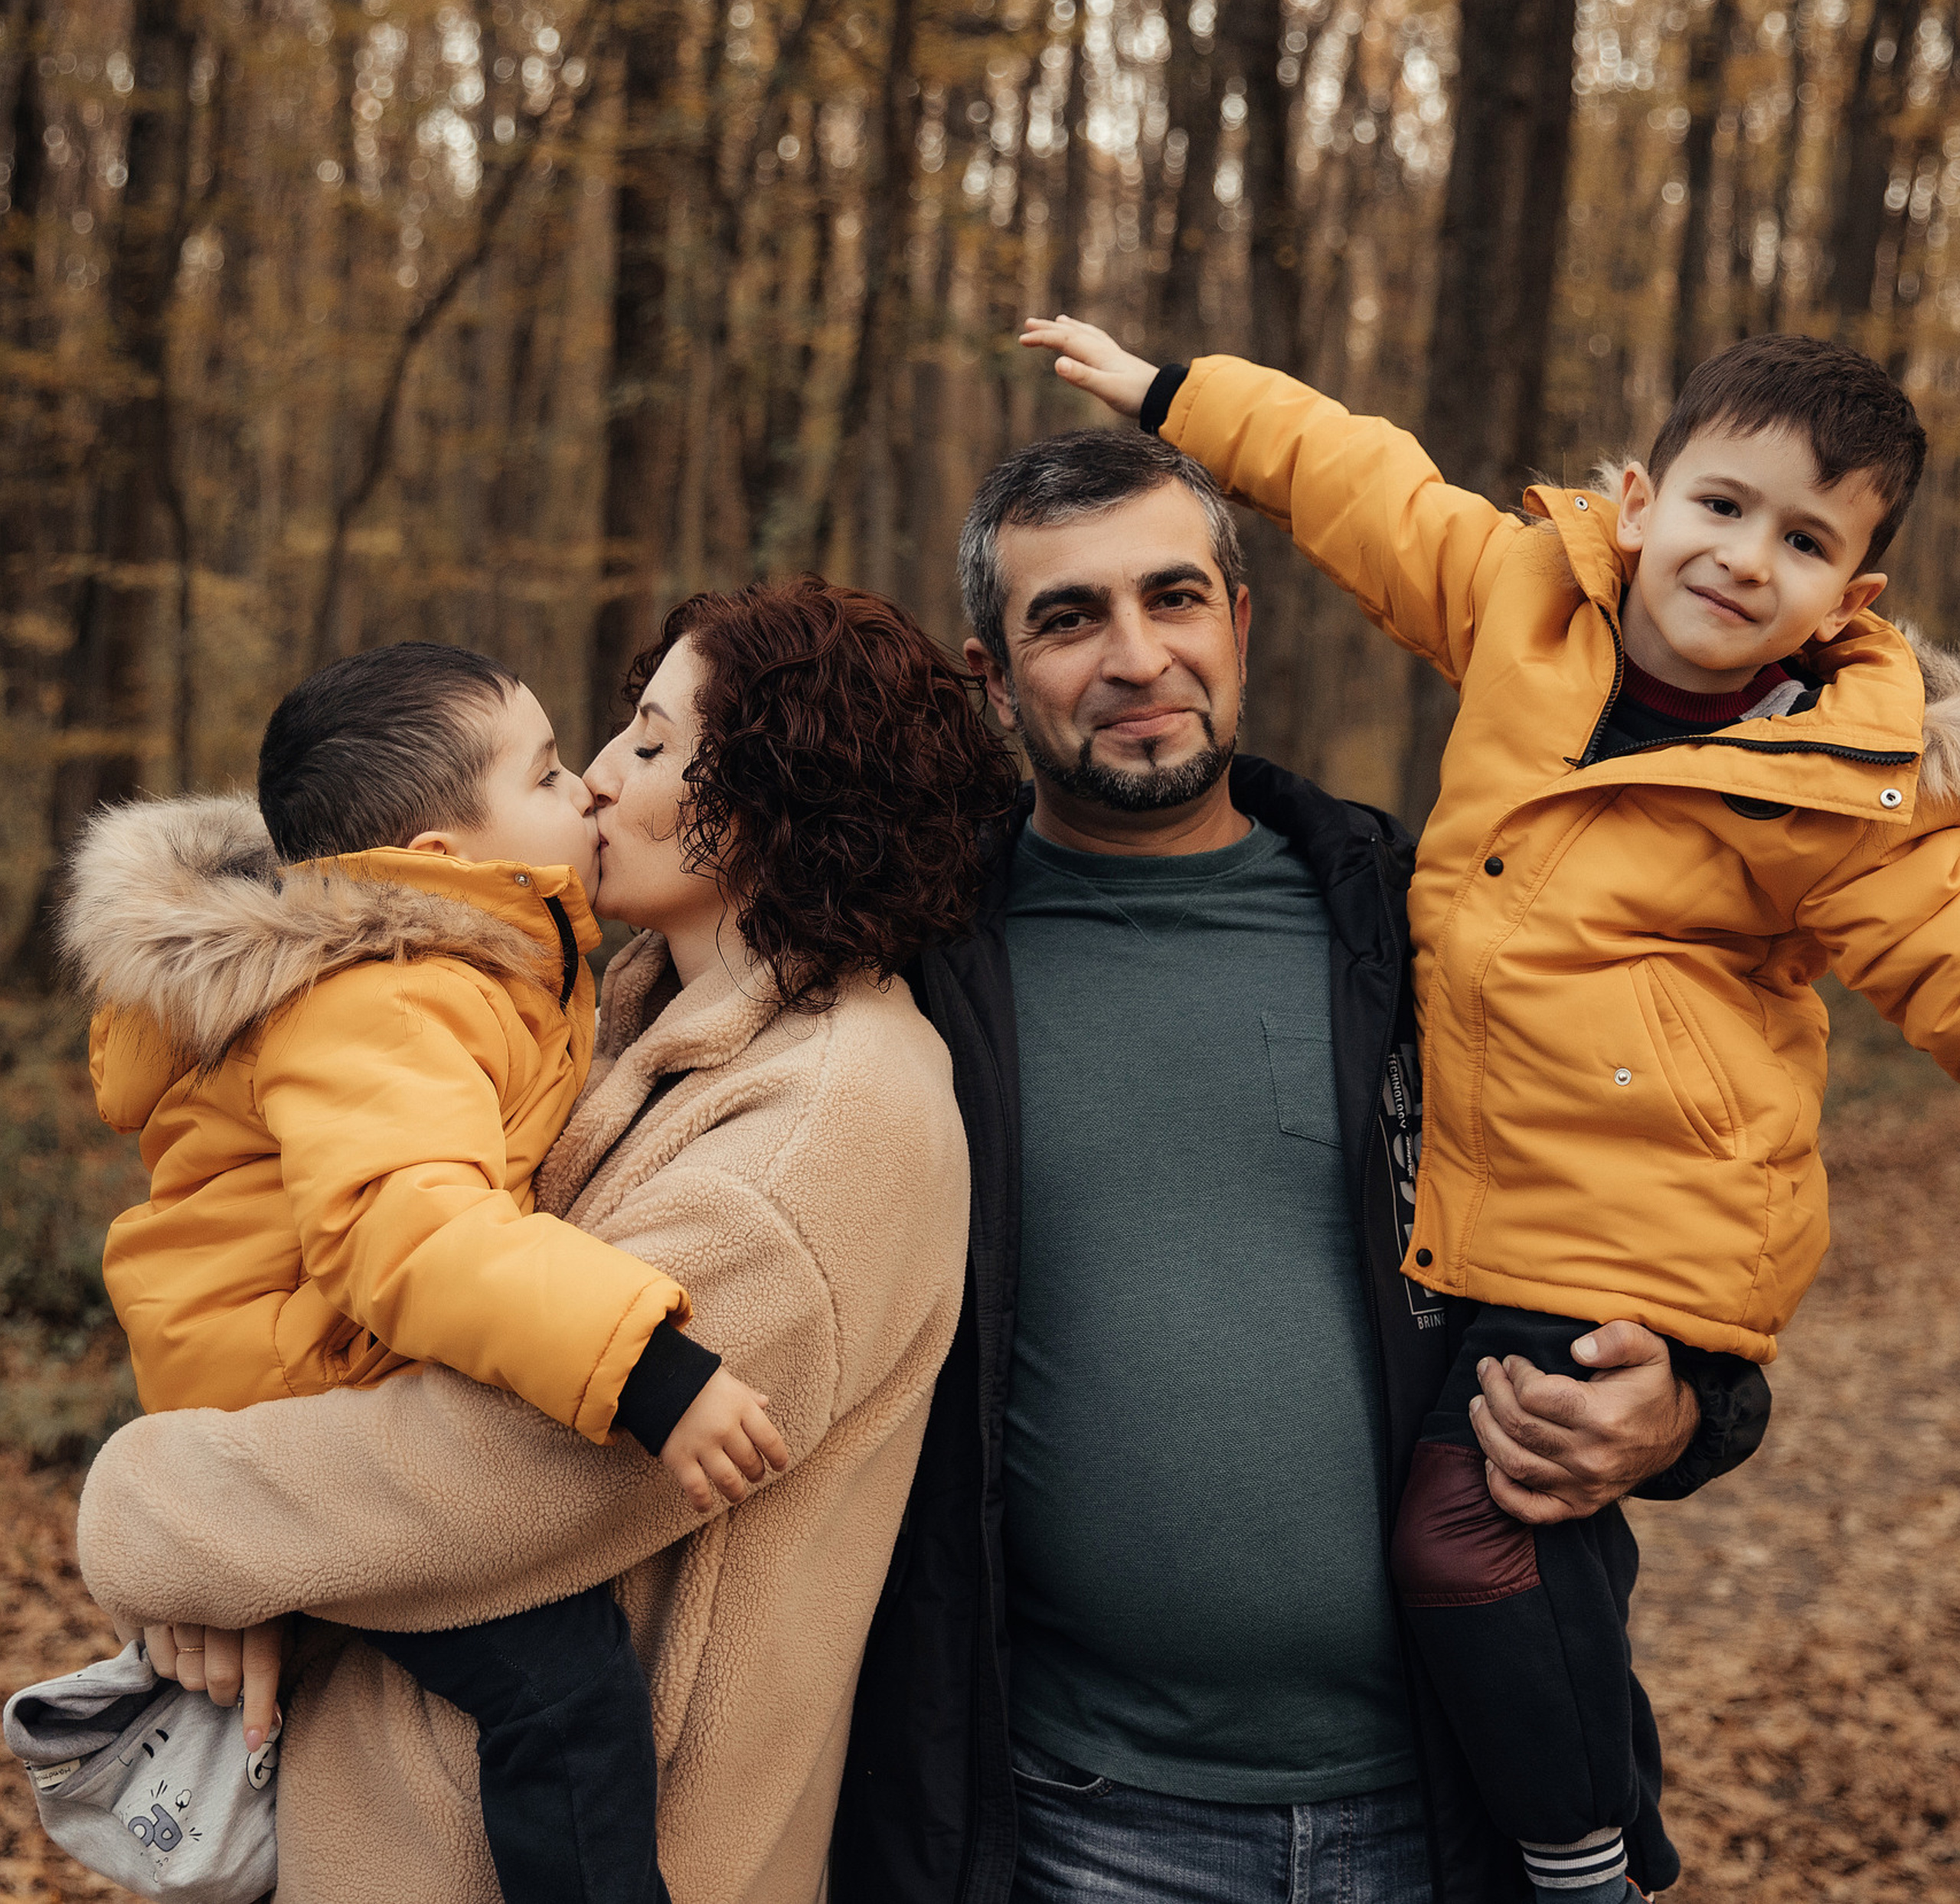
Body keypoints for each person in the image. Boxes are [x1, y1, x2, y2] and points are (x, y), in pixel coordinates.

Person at [1008, 316, 1960, 1904]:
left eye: (1803, 540)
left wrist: (1693, 1390)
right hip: (1493, 1217)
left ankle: (1585, 1850)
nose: (1742, 559)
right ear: (1641, 499)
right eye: (1723, 507)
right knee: (1493, 1524)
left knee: (1477, 1530)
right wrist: (1174, 393)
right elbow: (1351, 478)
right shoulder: (1523, 602)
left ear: (1849, 596)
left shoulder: (1831, 791)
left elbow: (1940, 956)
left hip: (1642, 1229)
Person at [831, 424, 1774, 1904]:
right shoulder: (915, 974)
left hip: (1458, 1791)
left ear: (1242, 620)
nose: (1137, 658)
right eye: (1068, 619)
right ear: (989, 672)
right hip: (1080, 1822)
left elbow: (1680, 1206)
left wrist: (1683, 1413)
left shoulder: (1432, 932)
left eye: (1175, 598)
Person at [74, 576, 1018, 1903]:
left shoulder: (818, 1132)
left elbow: (492, 1475)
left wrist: (157, 1510)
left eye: (644, 743)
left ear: (764, 800)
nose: (595, 786)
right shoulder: (598, 1010)